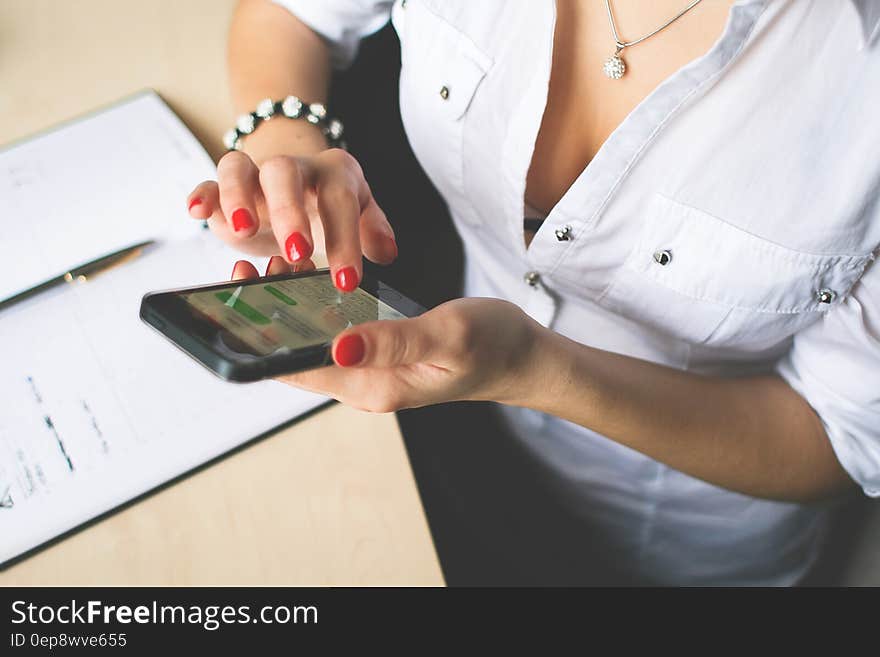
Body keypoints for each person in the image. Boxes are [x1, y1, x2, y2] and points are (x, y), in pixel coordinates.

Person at [185, 0, 880, 585]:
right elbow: (291, 14)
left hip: (681, 558)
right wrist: (288, 147)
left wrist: (533, 369)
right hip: (440, 453)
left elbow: (836, 437)